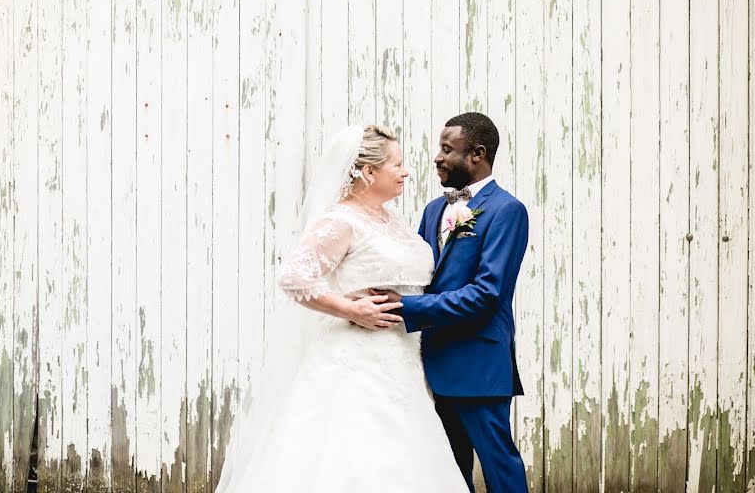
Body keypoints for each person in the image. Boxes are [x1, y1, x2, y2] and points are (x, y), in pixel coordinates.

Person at [214, 124, 468, 493]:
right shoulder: (341, 220)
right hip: (355, 364)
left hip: (402, 360)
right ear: (368, 172)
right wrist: (350, 309)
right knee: (355, 457)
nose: (406, 171)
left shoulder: (390, 219)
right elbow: (295, 277)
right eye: (396, 165)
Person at [385, 112, 530, 492]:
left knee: (499, 466)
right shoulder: (434, 209)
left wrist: (406, 308)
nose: (437, 157)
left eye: (447, 150)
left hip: (479, 364)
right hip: (434, 362)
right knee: (448, 473)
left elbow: (487, 294)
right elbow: (419, 275)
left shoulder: (506, 211)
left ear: (477, 154)